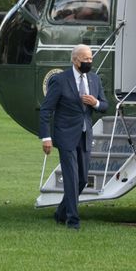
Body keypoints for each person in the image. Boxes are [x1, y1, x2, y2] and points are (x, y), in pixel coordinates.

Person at [39, 44, 108, 230]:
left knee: (82, 179)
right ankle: (73, 220)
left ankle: (60, 213)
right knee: (70, 177)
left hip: (85, 134)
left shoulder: (94, 79)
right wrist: (46, 137)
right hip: (65, 135)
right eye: (85, 59)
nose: (89, 62)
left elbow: (105, 105)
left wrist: (96, 102)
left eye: (91, 58)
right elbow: (46, 110)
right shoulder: (60, 80)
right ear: (75, 60)